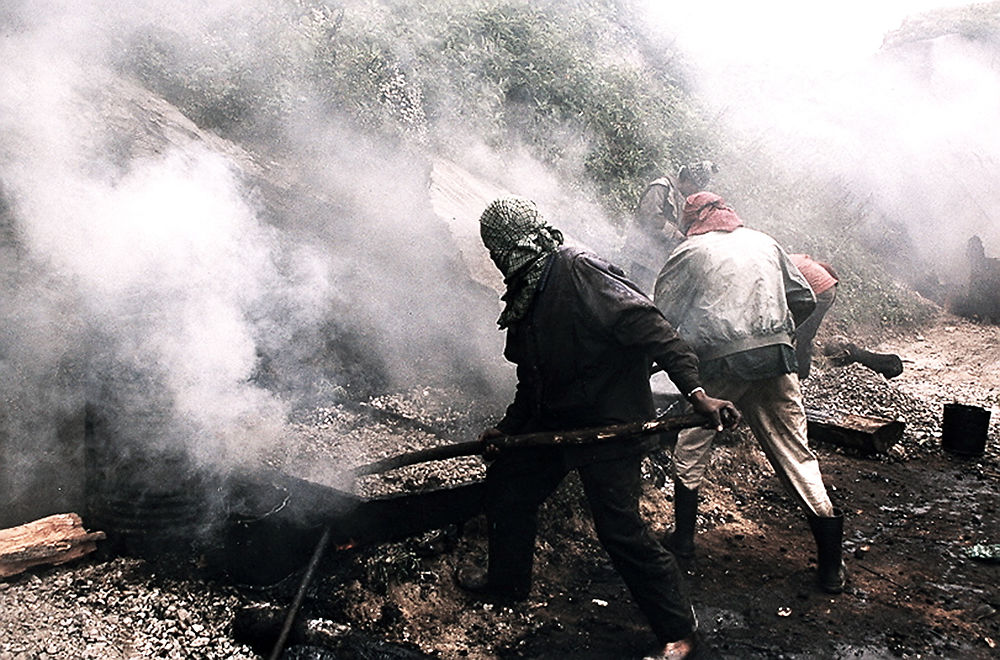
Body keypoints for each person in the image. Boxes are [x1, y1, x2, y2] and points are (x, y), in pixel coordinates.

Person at [459, 195, 741, 660]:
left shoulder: (578, 270)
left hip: (610, 424)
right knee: (509, 488)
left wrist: (696, 393)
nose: (495, 259)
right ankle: (508, 584)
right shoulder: (527, 289)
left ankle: (680, 634)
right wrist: (508, 430)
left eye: (497, 249)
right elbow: (533, 379)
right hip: (555, 424)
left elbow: (656, 330)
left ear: (514, 243)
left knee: (620, 529)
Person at [653, 192, 847, 595]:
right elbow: (804, 299)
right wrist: (781, 333)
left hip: (723, 365)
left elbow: (662, 315)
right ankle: (832, 569)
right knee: (796, 455)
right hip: (777, 359)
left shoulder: (689, 251)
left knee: (692, 445)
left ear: (693, 221)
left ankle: (684, 543)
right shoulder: (765, 241)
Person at [623, 161, 718, 293]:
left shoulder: (680, 196)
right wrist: (676, 234)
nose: (695, 192)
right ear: (687, 179)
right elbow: (650, 217)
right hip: (645, 253)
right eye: (695, 188)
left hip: (659, 257)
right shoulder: (660, 187)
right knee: (637, 293)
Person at [788, 253, 839, 380]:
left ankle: (802, 375)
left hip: (822, 292)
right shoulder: (792, 258)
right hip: (825, 287)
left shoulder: (782, 266)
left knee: (804, 334)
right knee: (797, 328)